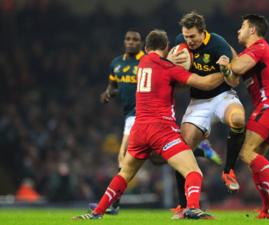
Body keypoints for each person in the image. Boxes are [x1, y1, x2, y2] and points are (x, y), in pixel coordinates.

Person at [73, 29, 226, 220]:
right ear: (166, 47)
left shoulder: (143, 62)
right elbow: (204, 83)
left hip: (139, 129)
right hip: (161, 130)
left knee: (124, 174)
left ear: (145, 48)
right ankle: (193, 208)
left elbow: (164, 82)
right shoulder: (168, 68)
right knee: (193, 172)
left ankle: (97, 212)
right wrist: (224, 72)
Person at [217, 14, 269, 219]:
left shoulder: (260, 47)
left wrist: (228, 61)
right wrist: (226, 68)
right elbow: (233, 79)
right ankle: (268, 209)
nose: (238, 31)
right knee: (254, 157)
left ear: (252, 30)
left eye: (242, 27)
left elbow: (237, 68)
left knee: (245, 152)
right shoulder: (252, 52)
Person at [168, 11, 246, 218]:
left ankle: (228, 170)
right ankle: (182, 205)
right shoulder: (180, 44)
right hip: (199, 102)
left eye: (193, 36)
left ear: (203, 33)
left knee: (238, 119)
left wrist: (226, 70)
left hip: (222, 96)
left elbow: (234, 81)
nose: (189, 41)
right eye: (186, 36)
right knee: (181, 150)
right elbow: (173, 78)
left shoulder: (218, 44)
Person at [88, 28, 144, 215]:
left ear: (141, 43)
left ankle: (114, 205)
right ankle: (194, 148)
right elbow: (113, 85)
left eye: (135, 39)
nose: (130, 42)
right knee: (158, 157)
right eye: (128, 39)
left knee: (123, 158)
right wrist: (107, 93)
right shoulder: (116, 63)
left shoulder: (146, 61)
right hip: (129, 114)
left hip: (142, 113)